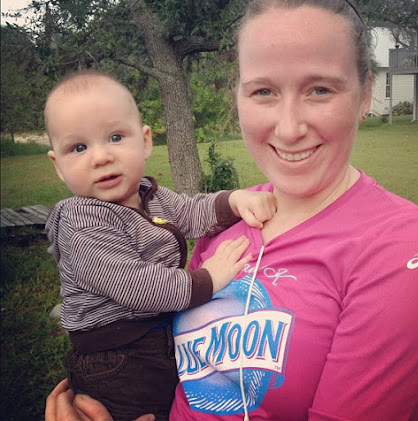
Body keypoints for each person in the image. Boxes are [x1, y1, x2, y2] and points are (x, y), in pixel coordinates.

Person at [45, 0, 418, 421]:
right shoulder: (232, 224)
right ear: (238, 95)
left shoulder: (402, 251)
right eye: (263, 91)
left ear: (365, 94)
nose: (289, 128)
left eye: (320, 89)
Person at [44, 70, 277, 421]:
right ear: (58, 166)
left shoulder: (150, 196)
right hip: (116, 360)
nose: (101, 157)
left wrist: (233, 201)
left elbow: (191, 211)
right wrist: (208, 279)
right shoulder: (81, 221)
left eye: (116, 137)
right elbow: (135, 285)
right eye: (79, 147)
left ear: (146, 141)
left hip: (155, 339)